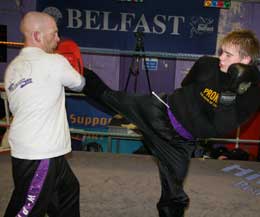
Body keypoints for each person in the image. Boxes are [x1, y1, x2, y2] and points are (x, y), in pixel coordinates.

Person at [79, 29, 260, 217]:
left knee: (174, 196)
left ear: (245, 60)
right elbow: (185, 85)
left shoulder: (251, 96)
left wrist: (229, 94)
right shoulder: (207, 65)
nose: (221, 58)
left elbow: (222, 127)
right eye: (221, 51)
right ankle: (73, 69)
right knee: (109, 98)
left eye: (228, 55)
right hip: (157, 112)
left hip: (180, 143)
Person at [4, 11, 85, 217]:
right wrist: (73, 64)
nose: (58, 40)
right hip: (40, 152)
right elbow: (79, 83)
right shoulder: (54, 62)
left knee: (67, 191)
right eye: (54, 34)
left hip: (39, 148)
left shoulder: (13, 67)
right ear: (37, 36)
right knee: (25, 210)